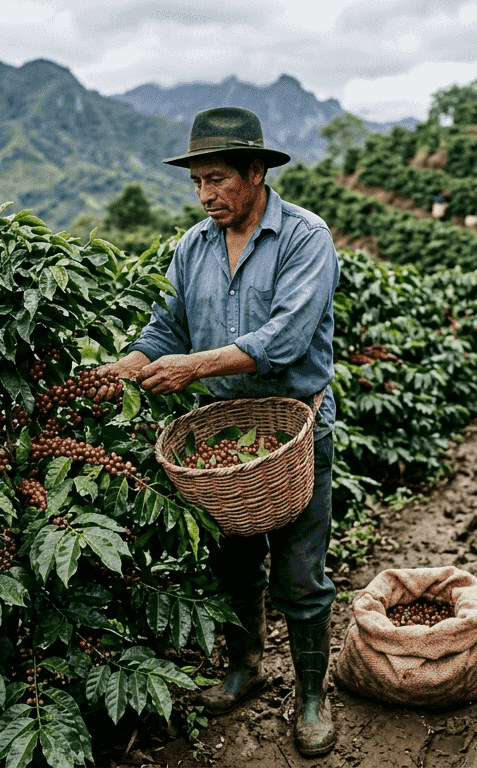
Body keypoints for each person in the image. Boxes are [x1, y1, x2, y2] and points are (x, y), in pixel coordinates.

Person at [101, 106, 339, 758]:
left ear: (256, 172)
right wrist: (130, 365)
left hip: (294, 432)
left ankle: (313, 696)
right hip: (222, 440)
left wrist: (197, 366)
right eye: (197, 182)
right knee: (234, 563)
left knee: (299, 573)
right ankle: (246, 668)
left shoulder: (303, 238)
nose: (207, 195)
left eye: (218, 179)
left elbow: (286, 338)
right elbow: (166, 330)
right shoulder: (193, 247)